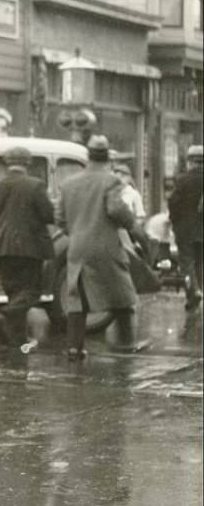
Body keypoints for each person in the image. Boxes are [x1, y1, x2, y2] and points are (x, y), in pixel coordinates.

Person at [55, 135, 151, 358]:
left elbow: (59, 218)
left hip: (77, 248)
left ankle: (74, 348)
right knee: (123, 293)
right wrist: (134, 229)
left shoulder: (69, 185)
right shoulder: (111, 181)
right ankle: (126, 343)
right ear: (107, 157)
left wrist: (77, 231)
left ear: (88, 156)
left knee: (77, 299)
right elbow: (117, 210)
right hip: (105, 246)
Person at [0, 146, 55, 347]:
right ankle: (7, 313)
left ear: (8, 163)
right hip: (30, 247)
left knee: (13, 292)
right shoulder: (36, 185)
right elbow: (48, 215)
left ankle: (17, 340)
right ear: (27, 163)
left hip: (2, 246)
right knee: (32, 291)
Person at [168, 144, 203, 311]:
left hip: (185, 230)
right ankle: (198, 293)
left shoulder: (182, 179)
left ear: (190, 161)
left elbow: (173, 203)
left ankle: (192, 293)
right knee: (200, 263)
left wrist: (174, 223)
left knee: (187, 263)